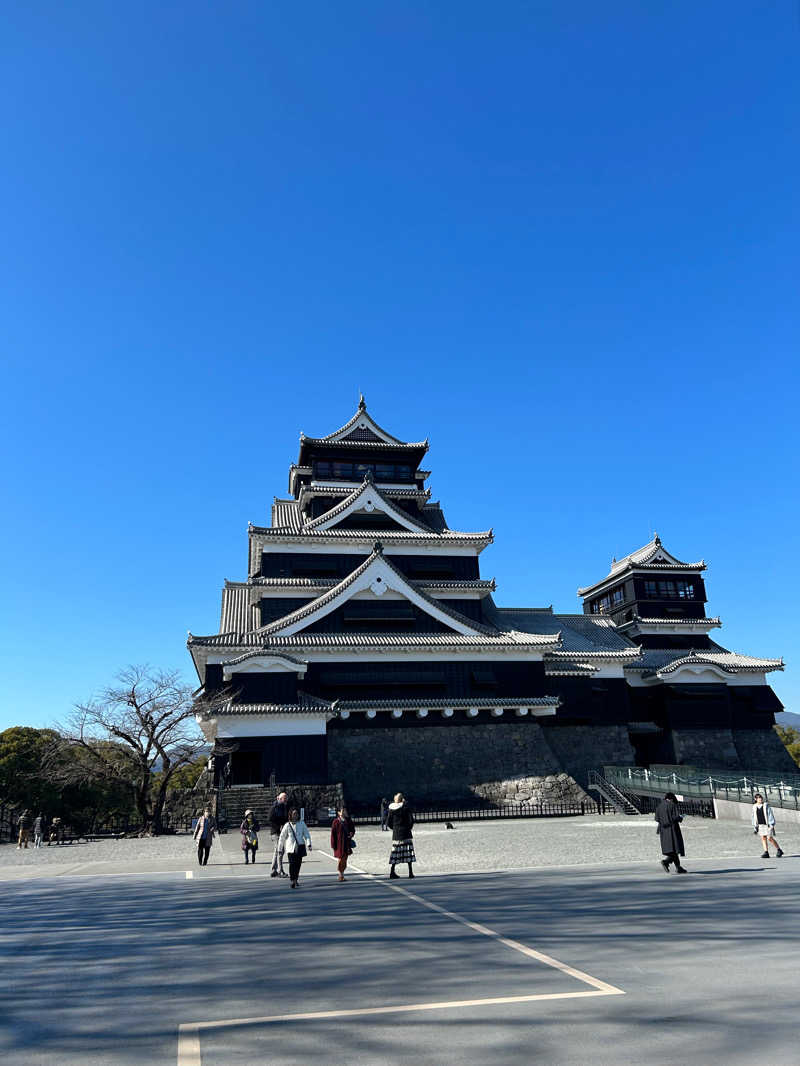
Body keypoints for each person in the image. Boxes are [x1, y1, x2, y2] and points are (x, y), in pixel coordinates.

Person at [278, 808, 312, 888]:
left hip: (300, 846)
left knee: (298, 864)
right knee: (292, 864)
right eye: (294, 814)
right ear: (290, 815)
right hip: (290, 848)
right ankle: (293, 880)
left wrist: (309, 844)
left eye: (296, 813)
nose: (295, 815)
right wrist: (280, 848)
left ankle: (296, 879)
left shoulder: (302, 823)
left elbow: (306, 834)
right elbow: (282, 837)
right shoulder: (287, 825)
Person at [654, 792, 687, 873]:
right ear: (671, 799)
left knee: (672, 850)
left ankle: (678, 867)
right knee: (675, 848)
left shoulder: (659, 806)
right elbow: (675, 817)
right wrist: (681, 817)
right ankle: (666, 862)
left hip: (663, 831)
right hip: (673, 829)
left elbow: (657, 819)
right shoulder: (672, 805)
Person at [387, 793, 416, 879]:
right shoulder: (405, 808)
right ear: (402, 799)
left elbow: (388, 823)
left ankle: (392, 871)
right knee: (408, 852)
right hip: (406, 832)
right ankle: (410, 872)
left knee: (395, 853)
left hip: (396, 834)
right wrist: (408, 828)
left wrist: (395, 829)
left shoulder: (391, 809)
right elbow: (411, 820)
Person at [330, 806, 356, 882]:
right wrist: (333, 844)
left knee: (345, 858)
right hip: (339, 843)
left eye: (344, 810)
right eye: (342, 810)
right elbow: (333, 834)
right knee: (341, 858)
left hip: (346, 843)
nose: (344, 812)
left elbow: (353, 829)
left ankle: (342, 873)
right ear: (338, 812)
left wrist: (351, 833)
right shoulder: (336, 821)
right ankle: (340, 874)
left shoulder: (348, 820)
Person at [269, 792, 289, 877]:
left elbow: (285, 819)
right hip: (275, 832)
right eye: (284, 799)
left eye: (286, 798)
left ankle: (274, 870)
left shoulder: (283, 807)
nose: (285, 800)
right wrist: (279, 826)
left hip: (280, 832)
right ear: (280, 799)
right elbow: (270, 818)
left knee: (278, 850)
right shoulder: (275, 807)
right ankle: (279, 870)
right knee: (280, 850)